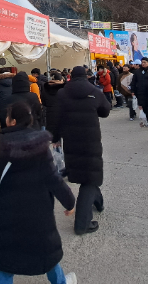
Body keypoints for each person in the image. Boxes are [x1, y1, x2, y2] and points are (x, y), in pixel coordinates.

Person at [0, 103, 78, 284]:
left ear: (12, 121)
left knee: (6, 259)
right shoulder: (40, 146)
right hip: (38, 209)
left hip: (8, 209)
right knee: (46, 251)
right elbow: (53, 179)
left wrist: (2, 198)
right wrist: (69, 202)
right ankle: (60, 282)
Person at [52, 66, 111, 235]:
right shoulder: (94, 91)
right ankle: (82, 224)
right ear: (85, 76)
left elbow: (56, 116)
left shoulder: (62, 93)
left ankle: (98, 202)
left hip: (70, 140)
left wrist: (55, 138)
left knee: (86, 173)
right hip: (90, 139)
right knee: (90, 178)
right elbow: (105, 111)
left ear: (70, 76)